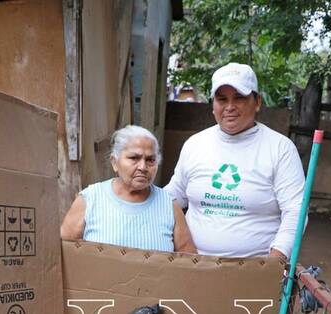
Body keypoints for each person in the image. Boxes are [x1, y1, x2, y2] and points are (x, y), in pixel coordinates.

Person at [164, 62, 305, 259]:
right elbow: (173, 196)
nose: (230, 107)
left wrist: (275, 260)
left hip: (253, 270)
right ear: (213, 105)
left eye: (239, 98)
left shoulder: (280, 148)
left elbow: (296, 211)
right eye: (222, 99)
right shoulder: (195, 145)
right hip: (194, 265)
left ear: (257, 102)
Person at [60, 125, 196, 253]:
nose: (143, 167)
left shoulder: (169, 205)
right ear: (114, 162)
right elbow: (63, 253)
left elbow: (187, 261)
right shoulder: (90, 200)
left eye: (150, 160)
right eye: (134, 158)